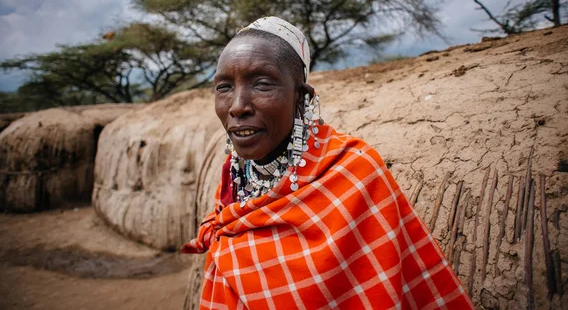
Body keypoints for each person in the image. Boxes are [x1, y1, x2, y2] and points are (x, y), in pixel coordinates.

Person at [182, 16, 474, 309]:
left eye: (262, 84)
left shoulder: (355, 172)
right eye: (224, 87)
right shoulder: (234, 174)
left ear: (302, 99)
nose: (237, 106)